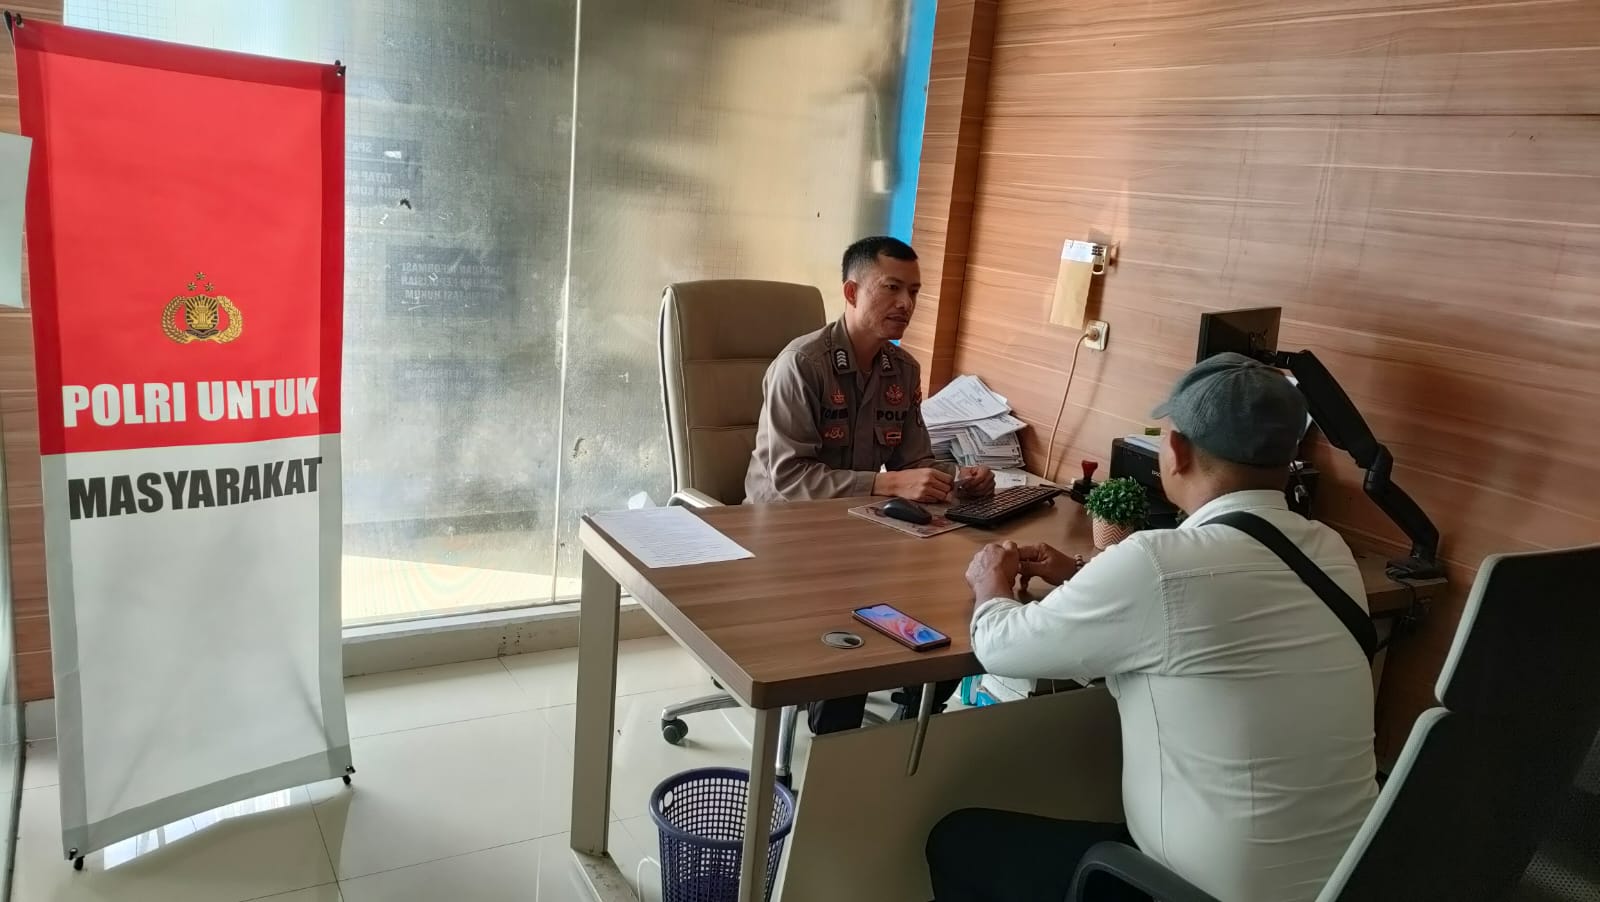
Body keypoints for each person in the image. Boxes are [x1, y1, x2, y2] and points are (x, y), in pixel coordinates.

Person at [927, 352, 1378, 902]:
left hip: (1190, 891)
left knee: (958, 841)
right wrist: (1085, 576)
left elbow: (1000, 646)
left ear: (1177, 451)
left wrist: (990, 582)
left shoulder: (1159, 562)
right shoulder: (1330, 551)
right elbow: (1204, 614)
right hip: (1347, 880)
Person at [745, 236, 994, 734]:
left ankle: (916, 714)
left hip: (862, 528)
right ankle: (836, 742)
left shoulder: (902, 370)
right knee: (856, 608)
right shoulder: (802, 365)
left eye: (914, 291)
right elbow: (790, 479)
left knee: (957, 587)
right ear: (851, 291)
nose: (906, 304)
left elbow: (914, 460)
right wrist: (887, 486)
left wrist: (958, 479)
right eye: (891, 288)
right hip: (783, 531)